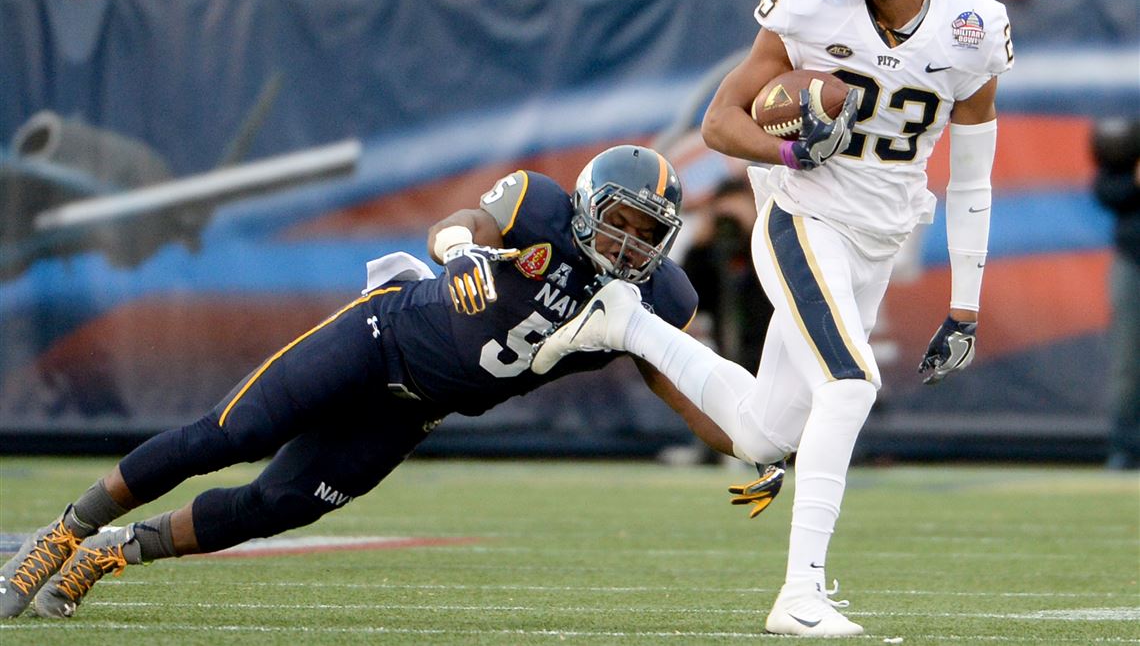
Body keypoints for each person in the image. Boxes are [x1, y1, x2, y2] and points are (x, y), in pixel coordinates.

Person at [535, 0, 1012, 637]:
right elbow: (721, 123)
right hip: (801, 216)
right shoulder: (811, 0)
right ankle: (799, 593)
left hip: (880, 237)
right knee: (852, 384)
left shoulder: (973, 28)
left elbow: (972, 180)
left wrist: (965, 304)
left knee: (764, 433)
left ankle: (623, 321)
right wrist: (791, 152)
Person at [0, 145, 734, 620]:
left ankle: (112, 550)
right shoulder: (537, 207)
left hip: (418, 406)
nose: (630, 244)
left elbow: (680, 380)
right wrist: (462, 254)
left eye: (648, 231)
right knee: (231, 434)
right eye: (620, 223)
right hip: (378, 338)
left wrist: (753, 443)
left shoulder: (658, 297)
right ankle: (63, 531)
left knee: (278, 504)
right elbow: (463, 219)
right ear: (585, 206)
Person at [1091, 118, 1140, 471]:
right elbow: (1108, 193)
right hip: (1134, 263)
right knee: (1128, 363)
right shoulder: (1131, 140)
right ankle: (1125, 448)